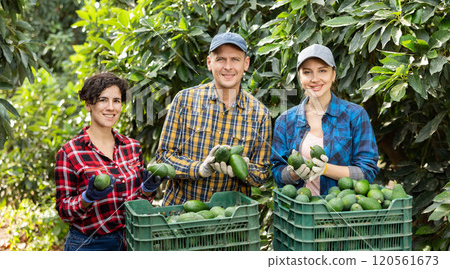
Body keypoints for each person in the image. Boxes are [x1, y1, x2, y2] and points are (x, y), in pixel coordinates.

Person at [156, 32, 272, 205]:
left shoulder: (260, 114)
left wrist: (245, 169)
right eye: (220, 59)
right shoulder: (184, 100)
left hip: (230, 220)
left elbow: (262, 173)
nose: (228, 66)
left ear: (245, 64)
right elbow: (163, 157)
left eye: (235, 59)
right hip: (179, 214)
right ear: (209, 63)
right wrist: (200, 169)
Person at [55, 72, 166, 251]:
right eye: (102, 100)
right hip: (90, 245)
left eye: (117, 100)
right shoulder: (70, 153)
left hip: (132, 240)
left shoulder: (132, 147)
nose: (111, 107)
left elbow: (137, 204)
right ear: (88, 104)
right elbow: (64, 210)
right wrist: (86, 198)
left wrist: (147, 190)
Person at [271, 44, 379, 195]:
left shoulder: (355, 115)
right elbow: (277, 172)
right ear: (300, 77)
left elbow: (367, 171)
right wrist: (295, 173)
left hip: (342, 211)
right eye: (307, 72)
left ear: (333, 74)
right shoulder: (285, 120)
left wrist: (326, 169)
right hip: (300, 211)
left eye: (322, 70)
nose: (315, 79)